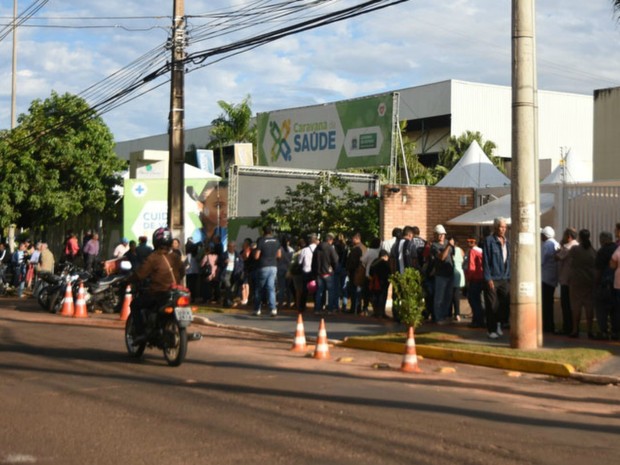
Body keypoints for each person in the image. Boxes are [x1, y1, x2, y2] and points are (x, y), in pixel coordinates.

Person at [129, 227, 185, 340]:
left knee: (135, 304)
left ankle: (140, 333)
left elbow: (140, 274)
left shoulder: (153, 258)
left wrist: (129, 280)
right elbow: (182, 272)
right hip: (176, 292)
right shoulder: (176, 257)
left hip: (158, 294)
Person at [482, 217, 510, 339]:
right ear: (495, 227)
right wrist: (488, 278)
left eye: (504, 227)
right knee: (491, 304)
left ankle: (499, 324)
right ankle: (491, 329)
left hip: (504, 277)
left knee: (504, 303)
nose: (503, 229)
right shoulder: (489, 241)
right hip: (493, 277)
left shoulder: (507, 242)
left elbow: (508, 260)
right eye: (500, 226)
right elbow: (486, 261)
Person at [567, 229, 596, 338]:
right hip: (589, 280)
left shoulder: (575, 249)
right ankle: (590, 330)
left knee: (576, 306)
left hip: (576, 280)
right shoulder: (593, 251)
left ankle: (575, 330)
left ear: (579, 237)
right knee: (589, 306)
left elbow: (568, 258)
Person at [253, 225, 281, 317]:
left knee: (259, 289)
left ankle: (257, 309)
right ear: (271, 232)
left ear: (263, 232)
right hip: (273, 266)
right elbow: (279, 255)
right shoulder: (277, 241)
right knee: (271, 288)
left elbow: (256, 256)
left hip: (263, 266)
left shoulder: (261, 241)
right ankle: (273, 309)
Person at [429, 225, 454, 324]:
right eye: (439, 235)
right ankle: (438, 317)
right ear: (435, 235)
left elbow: (452, 255)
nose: (441, 237)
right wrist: (448, 246)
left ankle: (444, 315)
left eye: (442, 234)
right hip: (440, 275)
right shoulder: (434, 246)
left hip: (450, 273)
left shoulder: (448, 243)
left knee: (448, 297)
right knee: (439, 297)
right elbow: (442, 257)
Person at [595, 231, 617, 340]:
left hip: (605, 284)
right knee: (615, 309)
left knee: (601, 309)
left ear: (602, 240)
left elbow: (598, 271)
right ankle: (615, 332)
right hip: (617, 284)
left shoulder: (602, 251)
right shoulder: (617, 248)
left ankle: (603, 331)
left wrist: (596, 283)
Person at [556, 228, 578, 335]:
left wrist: (560, 244)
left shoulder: (568, 247)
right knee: (573, 305)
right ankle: (573, 328)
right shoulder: (577, 246)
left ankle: (567, 328)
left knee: (566, 305)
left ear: (569, 236)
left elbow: (556, 257)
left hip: (566, 280)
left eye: (564, 235)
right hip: (574, 279)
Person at [311, 233, 339, 315]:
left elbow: (313, 262)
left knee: (319, 291)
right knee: (330, 291)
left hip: (319, 273)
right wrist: (334, 268)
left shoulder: (317, 248)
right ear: (330, 240)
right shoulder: (330, 248)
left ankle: (317, 309)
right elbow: (335, 259)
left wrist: (314, 272)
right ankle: (330, 309)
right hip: (328, 273)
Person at [541, 226, 560, 333]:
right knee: (549, 303)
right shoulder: (556, 243)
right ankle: (549, 325)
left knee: (546, 303)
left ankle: (547, 326)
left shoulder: (547, 245)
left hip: (546, 278)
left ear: (545, 235)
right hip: (552, 277)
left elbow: (542, 261)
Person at [464, 237, 484, 328]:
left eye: (471, 241)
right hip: (482, 278)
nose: (469, 243)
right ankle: (480, 319)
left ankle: (476, 320)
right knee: (479, 301)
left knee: (473, 300)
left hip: (474, 278)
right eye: (468, 241)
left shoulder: (472, 252)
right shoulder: (482, 251)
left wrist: (468, 279)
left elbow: (471, 267)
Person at [346, 232, 366, 314]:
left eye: (353, 238)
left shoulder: (356, 249)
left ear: (357, 239)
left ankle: (354, 308)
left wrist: (349, 269)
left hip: (355, 272)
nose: (352, 240)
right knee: (359, 291)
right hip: (361, 272)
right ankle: (358, 307)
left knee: (355, 291)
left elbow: (353, 262)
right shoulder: (364, 247)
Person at [219, 241, 243, 307]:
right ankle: (228, 302)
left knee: (232, 288)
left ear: (235, 247)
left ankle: (226, 302)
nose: (231, 248)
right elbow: (219, 263)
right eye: (229, 246)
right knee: (228, 286)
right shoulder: (224, 254)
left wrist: (239, 270)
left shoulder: (237, 255)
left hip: (234, 273)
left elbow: (241, 264)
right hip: (226, 272)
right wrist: (224, 262)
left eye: (233, 246)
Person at [298, 233, 318, 312]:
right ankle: (317, 306)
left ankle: (302, 306)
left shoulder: (304, 250)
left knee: (305, 290)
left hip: (306, 271)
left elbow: (300, 262)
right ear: (315, 240)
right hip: (315, 272)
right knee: (316, 289)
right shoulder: (319, 249)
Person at [368, 249, 391, 319]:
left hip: (375, 282)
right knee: (382, 297)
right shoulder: (385, 263)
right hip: (383, 282)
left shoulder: (375, 261)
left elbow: (370, 272)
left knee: (375, 297)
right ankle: (381, 313)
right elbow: (389, 272)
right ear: (385, 256)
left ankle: (376, 312)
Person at [450, 237, 465, 322]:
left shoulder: (452, 251)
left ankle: (455, 313)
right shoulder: (461, 250)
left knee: (453, 295)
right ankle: (457, 313)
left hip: (453, 273)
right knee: (457, 294)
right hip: (460, 273)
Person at [277, 235, 294, 309]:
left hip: (280, 268)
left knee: (281, 287)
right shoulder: (291, 250)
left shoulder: (279, 249)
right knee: (288, 287)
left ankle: (280, 302)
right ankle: (289, 302)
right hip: (289, 269)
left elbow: (277, 257)